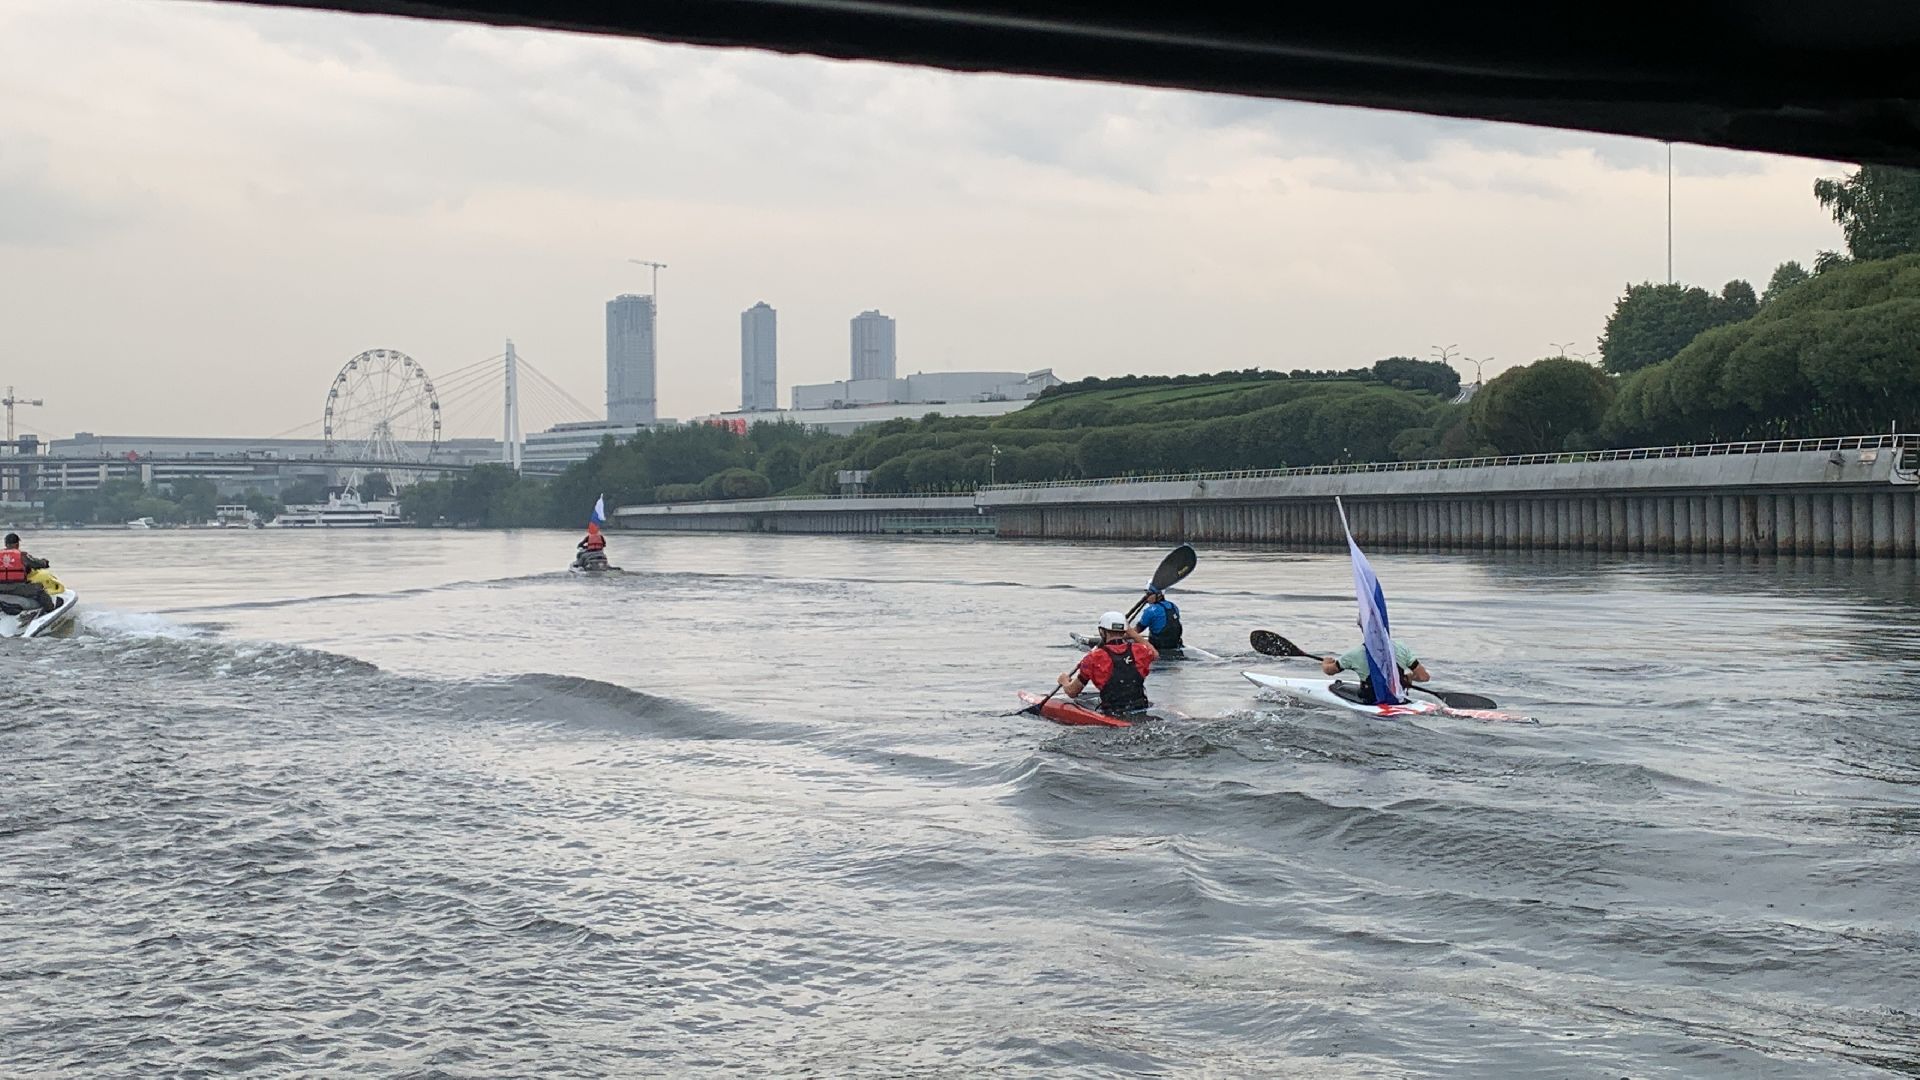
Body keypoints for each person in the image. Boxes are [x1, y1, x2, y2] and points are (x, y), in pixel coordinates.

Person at [1059, 610, 1159, 715]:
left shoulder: (1093, 657)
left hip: (1113, 712)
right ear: (1125, 631)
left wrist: (1064, 681)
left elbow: (1072, 692)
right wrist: (1133, 634)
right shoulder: (1140, 650)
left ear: (1102, 632)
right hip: (1140, 707)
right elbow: (1155, 654)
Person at [1321, 634, 1430, 704]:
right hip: (1398, 699)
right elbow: (1424, 677)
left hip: (1370, 699)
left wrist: (1326, 663)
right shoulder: (1401, 648)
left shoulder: (1356, 653)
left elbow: (1330, 671)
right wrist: (1408, 677)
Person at [0, 533, 56, 616]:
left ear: (5, 544)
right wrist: (45, 562)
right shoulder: (22, 555)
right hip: (16, 587)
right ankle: (50, 611)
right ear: (17, 544)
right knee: (39, 589)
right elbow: (37, 563)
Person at [1134, 584, 1184, 651]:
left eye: (1149, 593)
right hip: (1175, 645)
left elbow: (1136, 631)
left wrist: (1122, 635)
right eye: (1146, 593)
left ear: (1159, 595)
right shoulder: (1173, 606)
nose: (1146, 597)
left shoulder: (1150, 611)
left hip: (1158, 648)